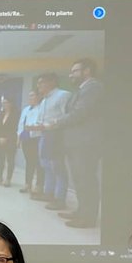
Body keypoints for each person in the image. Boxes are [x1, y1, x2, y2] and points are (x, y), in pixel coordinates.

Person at [46, 58, 103, 228]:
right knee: (79, 179)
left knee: (86, 179)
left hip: (86, 143)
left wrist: (57, 122)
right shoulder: (81, 89)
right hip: (76, 143)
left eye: (74, 71)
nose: (71, 75)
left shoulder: (94, 87)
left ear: (87, 71)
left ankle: (88, 218)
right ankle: (81, 211)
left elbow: (80, 113)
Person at [32, 73, 72, 208]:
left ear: (52, 82)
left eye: (41, 82)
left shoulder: (63, 95)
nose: (38, 86)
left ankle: (60, 199)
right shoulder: (44, 100)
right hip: (45, 135)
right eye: (38, 83)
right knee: (46, 166)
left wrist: (52, 124)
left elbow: (68, 117)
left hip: (57, 136)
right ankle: (48, 193)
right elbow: (43, 120)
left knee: (58, 168)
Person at [16, 89, 45, 195]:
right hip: (26, 138)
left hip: (37, 138)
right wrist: (18, 138)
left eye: (32, 96)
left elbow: (41, 123)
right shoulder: (26, 109)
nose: (30, 98)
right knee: (29, 162)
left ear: (38, 97)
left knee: (38, 163)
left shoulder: (42, 108)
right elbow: (20, 124)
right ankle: (27, 184)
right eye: (29, 96)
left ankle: (39, 185)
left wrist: (32, 128)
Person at [0, 96, 19, 187]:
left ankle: (8, 179)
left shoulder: (16, 115)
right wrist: (0, 137)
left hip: (11, 140)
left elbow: (15, 128)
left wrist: (6, 138)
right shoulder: (0, 115)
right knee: (0, 160)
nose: (4, 104)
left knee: (10, 160)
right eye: (3, 103)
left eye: (6, 102)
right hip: (0, 141)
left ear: (11, 103)